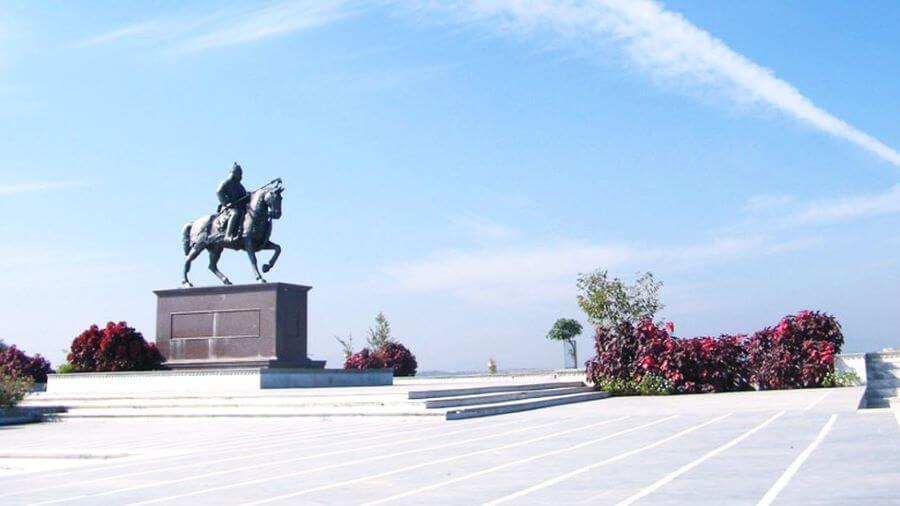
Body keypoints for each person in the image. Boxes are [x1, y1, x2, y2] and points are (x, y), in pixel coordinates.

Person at [216, 162, 249, 243]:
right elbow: (219, 192)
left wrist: (248, 195)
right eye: (238, 173)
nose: (239, 175)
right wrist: (226, 203)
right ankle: (227, 235)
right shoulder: (226, 182)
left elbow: (244, 196)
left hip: (239, 207)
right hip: (228, 208)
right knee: (235, 213)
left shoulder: (240, 186)